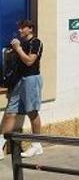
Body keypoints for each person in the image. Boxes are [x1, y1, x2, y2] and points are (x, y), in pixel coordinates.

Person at [0, 20, 44, 159]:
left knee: (32, 111)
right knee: (10, 112)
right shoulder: (21, 43)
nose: (19, 31)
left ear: (30, 29)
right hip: (19, 80)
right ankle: (1, 144)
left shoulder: (36, 43)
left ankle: (37, 145)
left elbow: (30, 61)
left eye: (22, 28)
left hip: (31, 79)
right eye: (19, 28)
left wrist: (18, 49)